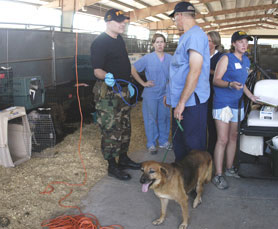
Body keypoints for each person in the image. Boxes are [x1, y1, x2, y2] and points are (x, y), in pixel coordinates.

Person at [90, 8, 141, 181]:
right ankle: (112, 165)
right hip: (109, 93)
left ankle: (124, 158)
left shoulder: (119, 40)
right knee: (111, 128)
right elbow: (97, 70)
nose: (123, 24)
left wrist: (131, 83)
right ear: (108, 21)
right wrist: (107, 76)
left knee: (125, 125)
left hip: (123, 90)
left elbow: (125, 62)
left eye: (124, 21)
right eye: (119, 21)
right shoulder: (99, 42)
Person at [212, 31, 258, 189]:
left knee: (233, 137)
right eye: (240, 42)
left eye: (246, 41)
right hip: (223, 103)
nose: (244, 45)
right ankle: (218, 175)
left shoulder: (246, 60)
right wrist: (229, 84)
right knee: (222, 139)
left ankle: (229, 168)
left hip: (237, 104)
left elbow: (242, 83)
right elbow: (216, 80)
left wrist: (251, 96)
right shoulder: (226, 58)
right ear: (233, 44)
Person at [167, 1, 210, 162]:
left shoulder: (196, 35)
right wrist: (171, 96)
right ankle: (182, 179)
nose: (175, 22)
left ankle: (194, 184)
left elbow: (195, 70)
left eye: (174, 18)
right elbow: (180, 70)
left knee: (193, 144)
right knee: (180, 142)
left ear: (179, 15)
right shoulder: (186, 36)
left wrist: (182, 102)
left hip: (191, 101)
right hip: (181, 99)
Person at [131, 33, 172, 154]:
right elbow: (133, 69)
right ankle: (151, 144)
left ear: (165, 44)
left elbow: (174, 75)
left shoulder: (170, 58)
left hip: (164, 93)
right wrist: (143, 83)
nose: (159, 44)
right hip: (151, 93)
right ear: (153, 44)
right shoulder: (147, 58)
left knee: (164, 117)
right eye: (157, 42)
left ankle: (164, 141)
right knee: (150, 118)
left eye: (162, 42)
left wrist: (169, 91)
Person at [207, 31, 223, 156]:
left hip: (214, 94)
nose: (206, 43)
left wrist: (205, 69)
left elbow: (221, 75)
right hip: (200, 94)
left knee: (212, 125)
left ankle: (211, 152)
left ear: (215, 43)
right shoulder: (200, 55)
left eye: (209, 41)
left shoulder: (221, 57)